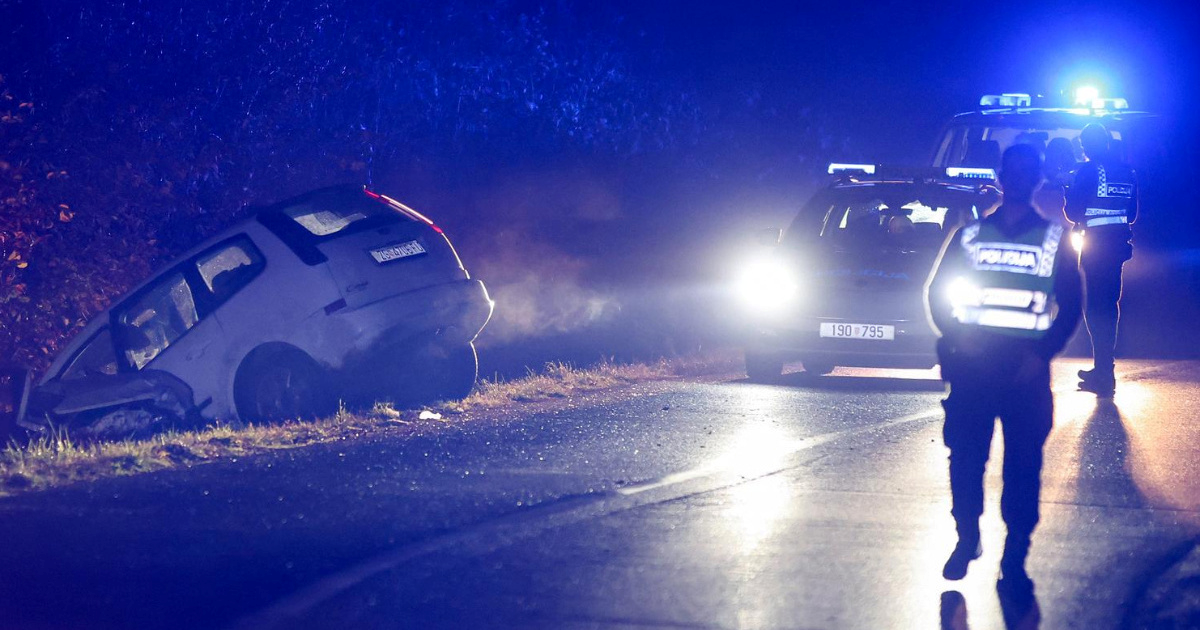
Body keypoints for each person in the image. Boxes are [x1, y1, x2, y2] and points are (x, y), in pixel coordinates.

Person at [925, 144, 1083, 591]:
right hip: (974, 369)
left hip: (1024, 373)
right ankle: (967, 538)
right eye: (1012, 171)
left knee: (1023, 467)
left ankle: (1015, 555)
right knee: (966, 460)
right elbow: (937, 294)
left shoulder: (1053, 241)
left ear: (1036, 179)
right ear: (1001, 177)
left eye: (1026, 171)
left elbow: (1071, 306)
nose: (1018, 178)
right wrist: (959, 338)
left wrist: (1040, 355)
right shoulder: (971, 236)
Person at [1065, 123, 1138, 396]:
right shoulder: (1128, 172)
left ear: (1087, 145)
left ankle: (1104, 373)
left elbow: (1074, 212)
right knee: (1109, 305)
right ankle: (1104, 370)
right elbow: (1131, 214)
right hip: (1117, 246)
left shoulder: (1087, 171)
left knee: (1095, 307)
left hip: (1095, 246)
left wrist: (1067, 192)